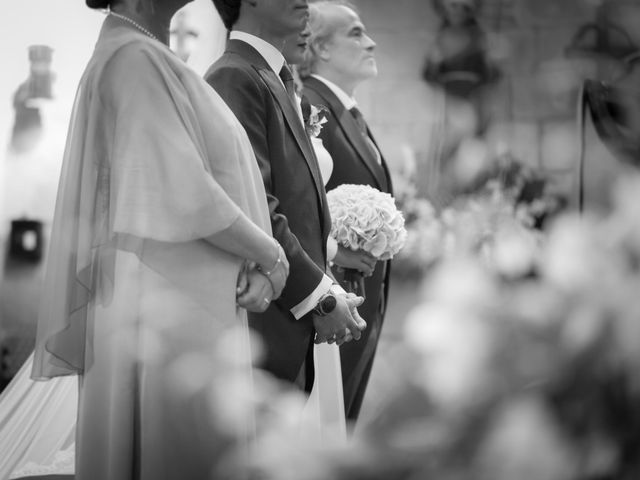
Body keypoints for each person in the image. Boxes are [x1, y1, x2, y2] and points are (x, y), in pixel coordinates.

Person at [24, 0, 290, 479]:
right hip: (167, 297)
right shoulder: (133, 57)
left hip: (183, 289)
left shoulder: (138, 50)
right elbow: (181, 189)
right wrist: (269, 254)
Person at [205, 0, 367, 397]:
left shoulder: (272, 77)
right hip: (266, 314)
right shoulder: (232, 76)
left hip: (288, 316)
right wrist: (318, 297)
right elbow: (255, 200)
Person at [299, 0, 393, 423]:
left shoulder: (347, 111)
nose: (370, 42)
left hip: (361, 292)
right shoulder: (308, 105)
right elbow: (298, 200)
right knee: (324, 423)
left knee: (344, 420)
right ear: (320, 48)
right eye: (355, 33)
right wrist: (336, 251)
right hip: (332, 298)